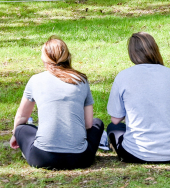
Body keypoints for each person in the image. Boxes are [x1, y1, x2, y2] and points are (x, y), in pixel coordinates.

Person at [10, 37, 104, 170]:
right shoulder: (81, 80)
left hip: (41, 157)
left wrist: (16, 135)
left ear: (44, 58)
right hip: (80, 159)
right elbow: (88, 124)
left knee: (21, 128)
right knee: (97, 123)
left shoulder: (35, 80)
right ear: (68, 56)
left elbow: (22, 117)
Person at [107, 32, 170, 164]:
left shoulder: (123, 76)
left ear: (132, 53)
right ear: (155, 50)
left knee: (112, 128)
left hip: (135, 154)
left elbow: (115, 119)